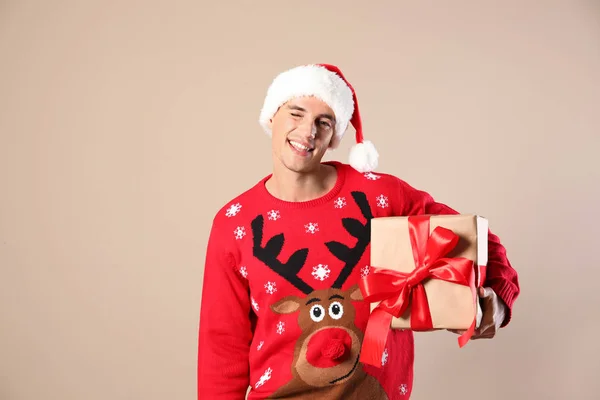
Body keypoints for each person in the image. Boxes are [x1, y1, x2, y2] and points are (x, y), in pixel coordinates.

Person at [197, 63, 520, 399]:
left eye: (324, 123)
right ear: (272, 116)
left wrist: (497, 298)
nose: (308, 132)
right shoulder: (234, 223)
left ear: (334, 135)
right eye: (296, 113)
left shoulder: (381, 197)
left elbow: (476, 239)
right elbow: (222, 348)